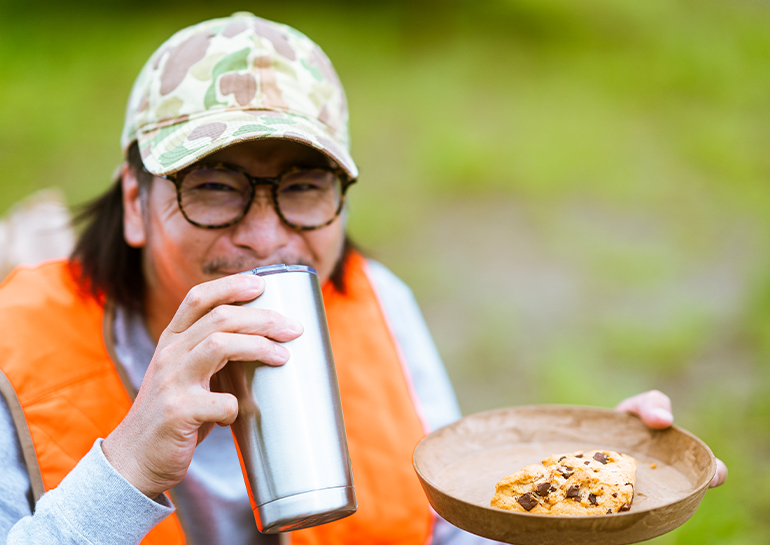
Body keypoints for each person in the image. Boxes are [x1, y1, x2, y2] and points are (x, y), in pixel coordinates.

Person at [0, 12, 726, 545]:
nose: (265, 236)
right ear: (135, 202)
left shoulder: (376, 302)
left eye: (304, 186)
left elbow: (445, 533)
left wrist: (576, 501)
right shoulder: (16, 349)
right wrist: (127, 464)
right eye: (215, 186)